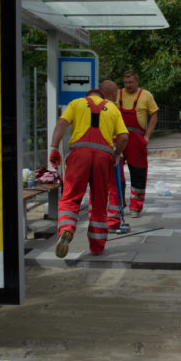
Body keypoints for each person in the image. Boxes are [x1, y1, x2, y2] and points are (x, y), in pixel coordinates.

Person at [49, 82, 128, 258]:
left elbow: (61, 124)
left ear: (88, 95)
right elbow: (123, 137)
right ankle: (97, 247)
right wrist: (116, 155)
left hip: (79, 156)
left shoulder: (76, 103)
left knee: (70, 196)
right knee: (99, 202)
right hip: (103, 158)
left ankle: (67, 229)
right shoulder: (113, 108)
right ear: (103, 96)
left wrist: (54, 148)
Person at [115, 70, 159, 218]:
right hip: (118, 139)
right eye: (126, 82)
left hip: (137, 140)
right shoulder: (117, 94)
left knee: (138, 174)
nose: (128, 85)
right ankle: (118, 205)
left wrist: (147, 136)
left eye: (131, 82)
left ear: (136, 82)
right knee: (116, 174)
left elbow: (154, 115)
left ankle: (136, 207)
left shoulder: (146, 95)